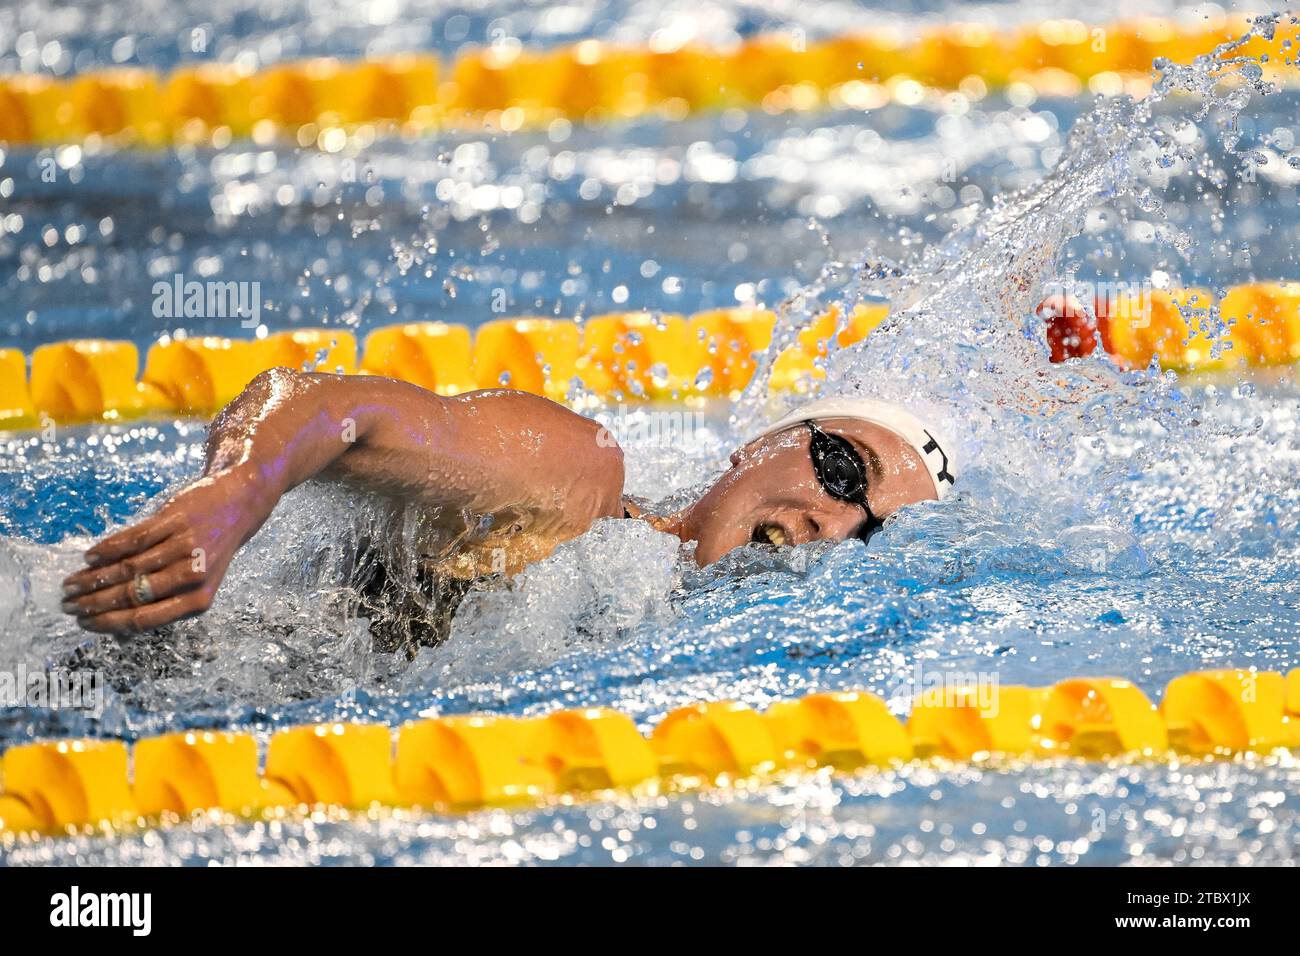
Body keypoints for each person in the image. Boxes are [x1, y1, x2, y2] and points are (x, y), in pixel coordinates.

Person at [60, 366, 956, 638]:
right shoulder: (577, 481)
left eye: (870, 534)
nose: (834, 526)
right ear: (764, 442)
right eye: (846, 474)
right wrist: (236, 492)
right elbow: (332, 406)